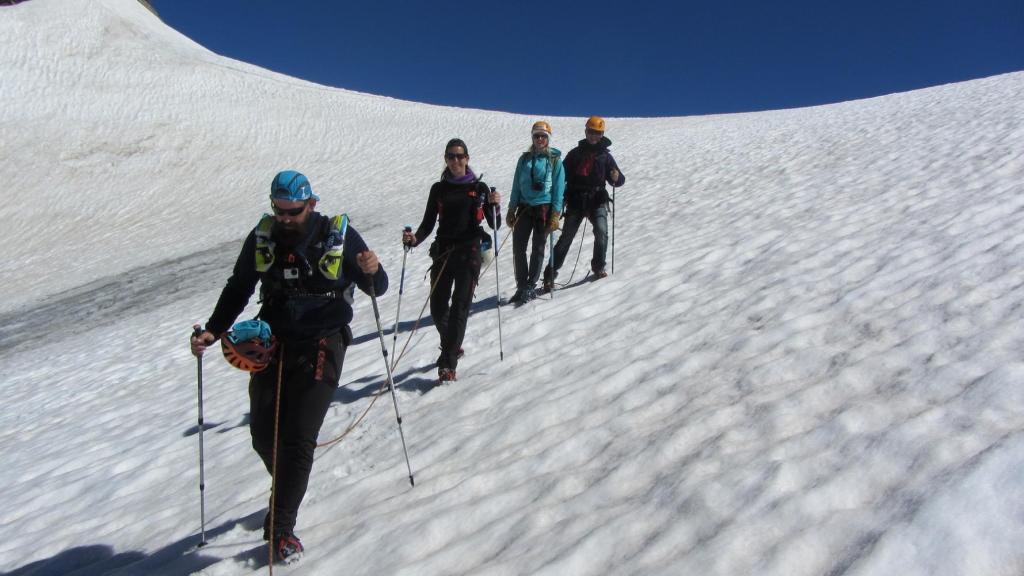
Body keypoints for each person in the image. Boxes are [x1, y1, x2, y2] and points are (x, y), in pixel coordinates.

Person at [189, 170, 388, 564]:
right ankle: (287, 490)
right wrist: (214, 330)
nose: (284, 219)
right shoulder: (264, 236)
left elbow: (375, 288)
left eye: (292, 212)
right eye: (278, 210)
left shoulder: (337, 234)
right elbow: (240, 285)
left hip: (323, 341)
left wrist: (372, 269)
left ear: (310, 204)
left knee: (298, 437)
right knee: (264, 435)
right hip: (273, 343)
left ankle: (280, 530)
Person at [403, 139, 501, 382]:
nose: (455, 160)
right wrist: (414, 239)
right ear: (445, 159)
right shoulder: (438, 189)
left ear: (467, 158)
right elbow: (428, 223)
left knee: (459, 307)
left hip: (469, 251)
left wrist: (495, 205)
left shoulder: (479, 188)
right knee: (437, 308)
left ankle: (447, 364)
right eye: (451, 156)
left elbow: (493, 222)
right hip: (444, 252)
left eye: (459, 156)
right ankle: (453, 345)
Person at [545, 116, 625, 290]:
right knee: (566, 237)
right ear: (586, 131)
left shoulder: (606, 157)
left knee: (602, 232)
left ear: (602, 134)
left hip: (597, 199)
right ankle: (549, 275)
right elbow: (561, 176)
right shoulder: (575, 154)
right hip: (576, 199)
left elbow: (619, 180)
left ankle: (598, 267)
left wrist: (616, 177)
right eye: (591, 132)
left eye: (597, 133)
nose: (593, 136)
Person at [506, 120, 565, 304]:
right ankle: (521, 285)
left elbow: (558, 190)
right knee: (518, 247)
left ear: (548, 139)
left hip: (544, 208)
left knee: (538, 248)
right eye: (536, 136)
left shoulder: (555, 161)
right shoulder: (523, 159)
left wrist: (555, 213)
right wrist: (511, 208)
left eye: (543, 136)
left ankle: (530, 286)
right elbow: (517, 184)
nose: (540, 139)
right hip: (524, 207)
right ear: (532, 137)